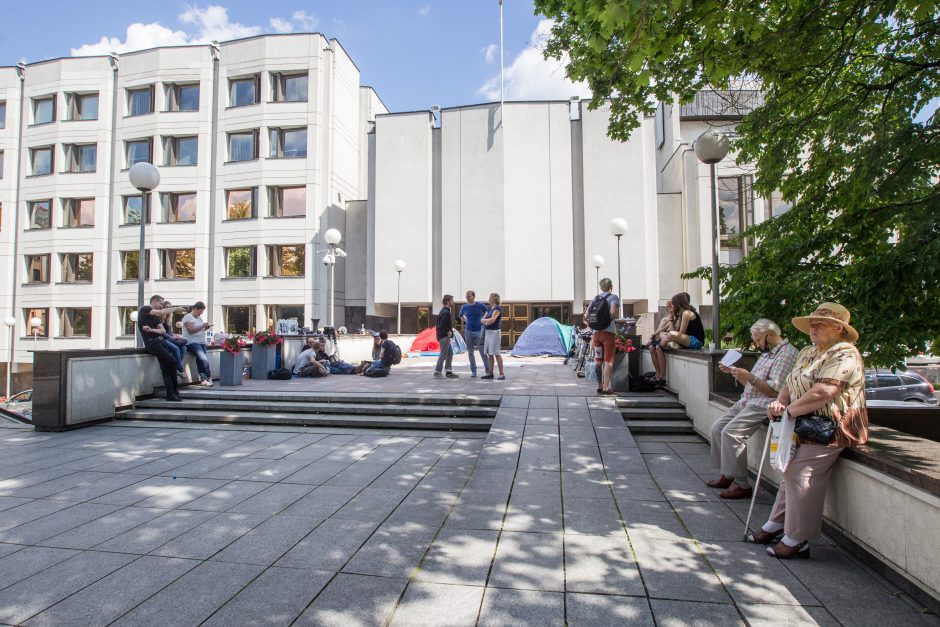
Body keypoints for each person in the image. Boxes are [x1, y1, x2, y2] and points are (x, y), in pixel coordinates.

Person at [750, 303, 868, 559]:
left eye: (819, 324)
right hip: (803, 423)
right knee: (789, 469)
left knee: (801, 473)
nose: (812, 329)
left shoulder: (845, 353)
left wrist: (790, 410)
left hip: (831, 427)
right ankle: (778, 523)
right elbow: (790, 383)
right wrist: (780, 402)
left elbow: (825, 392)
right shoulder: (807, 352)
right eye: (811, 324)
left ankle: (798, 538)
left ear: (838, 328)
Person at [707, 319, 799, 499]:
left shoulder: (786, 353)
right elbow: (752, 383)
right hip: (748, 400)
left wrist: (749, 377)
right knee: (717, 428)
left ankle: (740, 483)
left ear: (770, 335)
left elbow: (775, 390)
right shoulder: (768, 352)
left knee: (732, 433)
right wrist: (736, 373)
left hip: (763, 403)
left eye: (758, 339)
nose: (756, 343)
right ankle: (728, 474)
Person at [137, 304, 181, 401]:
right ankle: (173, 392)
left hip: (160, 342)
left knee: (166, 368)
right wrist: (176, 309)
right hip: (152, 344)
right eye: (160, 303)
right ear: (155, 301)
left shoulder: (155, 318)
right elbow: (161, 312)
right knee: (172, 362)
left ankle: (172, 393)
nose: (161, 305)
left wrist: (152, 330)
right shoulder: (145, 309)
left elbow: (163, 330)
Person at [148, 296, 189, 384]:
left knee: (184, 347)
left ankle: (177, 368)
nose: (169, 310)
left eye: (170, 308)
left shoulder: (169, 319)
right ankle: (180, 370)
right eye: (167, 307)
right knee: (175, 348)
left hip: (167, 338)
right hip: (162, 339)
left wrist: (174, 336)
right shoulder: (158, 316)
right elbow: (162, 333)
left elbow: (169, 332)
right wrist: (170, 337)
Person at [589, 278, 619, 394]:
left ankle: (600, 386)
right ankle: (606, 388)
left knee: (598, 361)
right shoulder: (613, 297)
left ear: (601, 287)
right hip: (608, 334)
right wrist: (610, 317)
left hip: (596, 335)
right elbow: (612, 312)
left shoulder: (595, 299)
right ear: (611, 286)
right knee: (608, 360)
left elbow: (587, 315)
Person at [182, 301, 213, 387]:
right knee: (204, 359)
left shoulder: (199, 318)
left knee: (200, 360)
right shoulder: (187, 317)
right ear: (195, 309)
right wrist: (203, 326)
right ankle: (209, 376)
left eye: (202, 311)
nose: (201, 313)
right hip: (192, 342)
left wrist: (205, 327)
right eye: (200, 311)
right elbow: (191, 330)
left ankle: (203, 379)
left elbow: (199, 329)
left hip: (202, 342)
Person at [459, 291, 489, 378]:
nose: (467, 298)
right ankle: (473, 371)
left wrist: (482, 319)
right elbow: (461, 315)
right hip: (468, 331)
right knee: (470, 352)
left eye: (469, 296)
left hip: (478, 331)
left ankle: (487, 370)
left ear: (473, 296)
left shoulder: (480, 305)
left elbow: (487, 311)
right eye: (466, 296)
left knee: (482, 352)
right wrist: (465, 320)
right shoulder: (464, 307)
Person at [647, 301, 676, 382]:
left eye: (668, 307)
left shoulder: (674, 318)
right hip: (660, 337)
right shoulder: (666, 318)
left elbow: (666, 329)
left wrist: (653, 334)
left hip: (666, 338)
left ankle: (662, 375)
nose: (667, 308)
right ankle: (658, 372)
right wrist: (653, 335)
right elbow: (660, 329)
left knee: (657, 347)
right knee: (651, 347)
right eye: (666, 307)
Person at [433, 295, 458, 379]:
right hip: (444, 336)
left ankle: (448, 372)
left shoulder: (445, 311)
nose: (453, 302)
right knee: (443, 354)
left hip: (443, 336)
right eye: (451, 300)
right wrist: (448, 331)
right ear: (447, 301)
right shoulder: (445, 312)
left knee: (450, 353)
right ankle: (437, 372)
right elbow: (441, 324)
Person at [481, 293, 505, 380]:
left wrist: (485, 321)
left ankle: (501, 373)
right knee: (490, 354)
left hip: (495, 333)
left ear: (494, 299)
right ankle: (490, 373)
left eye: (490, 297)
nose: (488, 299)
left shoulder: (497, 308)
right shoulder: (490, 309)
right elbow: (482, 320)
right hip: (488, 332)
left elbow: (492, 320)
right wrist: (486, 321)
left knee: (496, 353)